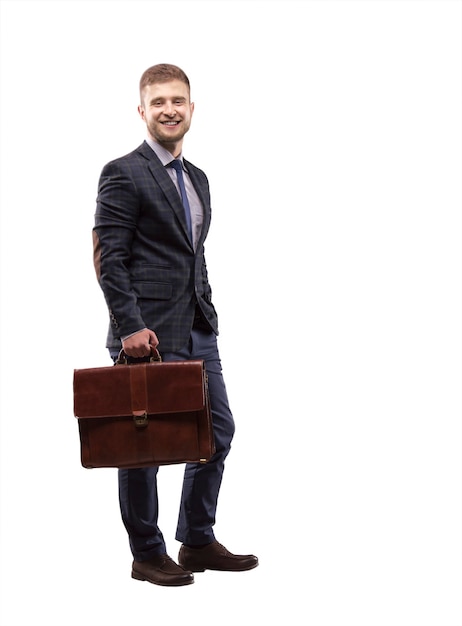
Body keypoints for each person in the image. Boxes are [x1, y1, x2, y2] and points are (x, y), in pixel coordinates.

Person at [92, 63, 258, 587]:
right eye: (158, 101)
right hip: (147, 335)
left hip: (197, 327)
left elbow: (193, 253)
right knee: (141, 446)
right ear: (142, 111)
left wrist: (206, 306)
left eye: (178, 101)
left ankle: (197, 540)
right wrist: (130, 328)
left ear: (191, 108)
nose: (169, 109)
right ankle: (147, 553)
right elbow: (109, 259)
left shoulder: (198, 178)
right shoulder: (123, 171)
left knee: (216, 431)